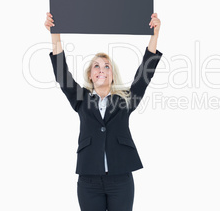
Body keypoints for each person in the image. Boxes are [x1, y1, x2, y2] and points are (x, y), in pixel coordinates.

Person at [44, 12, 163, 211]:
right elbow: (61, 73)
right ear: (90, 75)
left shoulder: (125, 99)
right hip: (88, 180)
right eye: (96, 66)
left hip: (121, 180)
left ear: (112, 74)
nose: (101, 69)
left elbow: (144, 75)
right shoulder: (80, 98)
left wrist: (155, 35)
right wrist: (54, 33)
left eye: (106, 66)